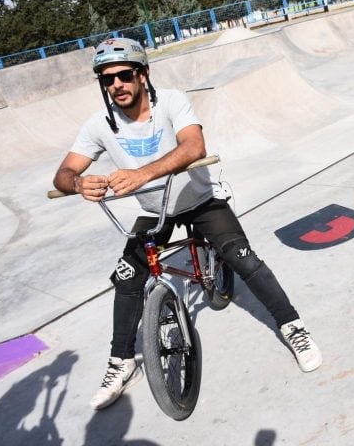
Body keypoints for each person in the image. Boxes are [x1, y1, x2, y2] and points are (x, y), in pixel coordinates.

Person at [53, 37, 322, 411]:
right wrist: (80, 183)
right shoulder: (99, 124)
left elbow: (194, 147)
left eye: (124, 75)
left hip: (198, 201)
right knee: (128, 277)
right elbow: (63, 173)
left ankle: (293, 327)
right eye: (107, 79)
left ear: (143, 75)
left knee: (244, 259)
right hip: (157, 210)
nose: (116, 85)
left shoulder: (173, 101)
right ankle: (122, 361)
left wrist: (142, 174)